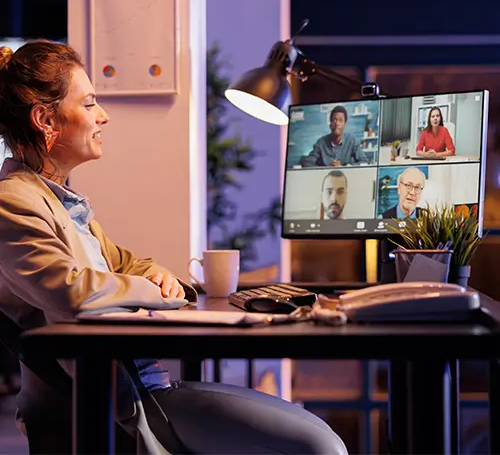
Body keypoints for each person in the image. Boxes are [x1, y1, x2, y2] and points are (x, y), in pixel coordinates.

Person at [0, 41, 348, 454]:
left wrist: (157, 276)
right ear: (45, 119)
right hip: (124, 409)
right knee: (321, 445)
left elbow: (122, 262)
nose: (103, 116)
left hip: (146, 388)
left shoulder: (59, 198)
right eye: (90, 103)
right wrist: (159, 295)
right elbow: (73, 291)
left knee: (319, 437)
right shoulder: (14, 201)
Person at [300, 106, 368, 167]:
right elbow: (307, 163)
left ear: (344, 125)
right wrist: (325, 169)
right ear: (330, 124)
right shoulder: (321, 143)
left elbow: (364, 161)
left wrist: (343, 168)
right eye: (334, 120)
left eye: (340, 120)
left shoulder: (351, 141)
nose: (337, 123)